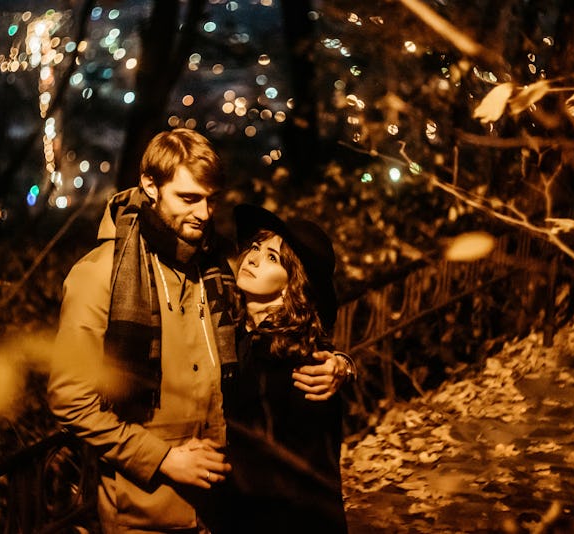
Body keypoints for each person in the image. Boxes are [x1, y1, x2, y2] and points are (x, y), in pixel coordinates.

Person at [47, 129, 351, 533]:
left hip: (228, 507)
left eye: (211, 199)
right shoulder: (99, 276)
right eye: (189, 199)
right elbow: (70, 400)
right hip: (148, 513)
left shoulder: (219, 262)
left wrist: (340, 364)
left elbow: (285, 322)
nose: (204, 214)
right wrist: (163, 459)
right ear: (150, 185)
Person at [214, 204, 349, 534]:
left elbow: (306, 474)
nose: (254, 258)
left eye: (273, 258)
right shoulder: (236, 334)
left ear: (292, 284)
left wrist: (342, 364)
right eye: (256, 248)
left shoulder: (301, 359)